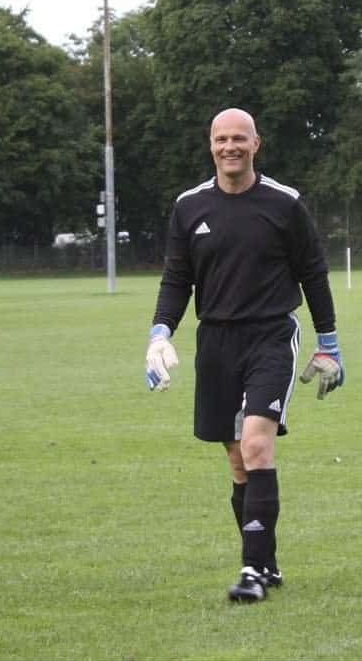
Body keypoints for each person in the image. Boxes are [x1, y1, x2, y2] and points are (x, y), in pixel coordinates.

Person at [144, 107, 345, 604]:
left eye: (239, 138)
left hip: (271, 336)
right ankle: (267, 562)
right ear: (211, 145)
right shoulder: (189, 207)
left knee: (256, 445)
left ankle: (252, 571)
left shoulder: (284, 204)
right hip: (215, 343)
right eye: (221, 139)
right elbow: (177, 278)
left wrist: (329, 343)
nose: (229, 146)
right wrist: (160, 333)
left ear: (256, 144)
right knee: (237, 462)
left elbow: (314, 273)